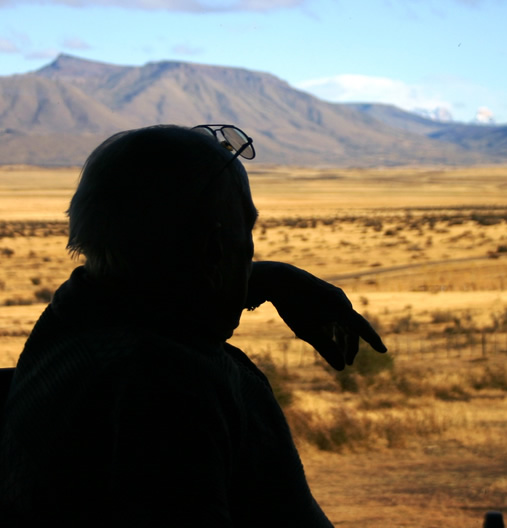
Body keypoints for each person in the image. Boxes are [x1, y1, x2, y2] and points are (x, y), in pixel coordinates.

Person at [0, 124, 386, 527]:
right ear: (214, 247)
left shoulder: (71, 321)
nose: (250, 253)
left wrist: (267, 278)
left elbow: (151, 284)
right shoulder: (169, 387)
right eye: (247, 233)